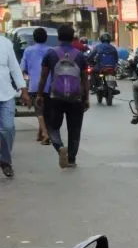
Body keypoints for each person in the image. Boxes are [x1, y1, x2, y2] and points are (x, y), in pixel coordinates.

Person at [36, 24, 89, 169]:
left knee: (52, 127)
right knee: (74, 129)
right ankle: (71, 159)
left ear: (58, 37)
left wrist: (40, 95)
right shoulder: (80, 55)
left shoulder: (50, 54)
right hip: (76, 98)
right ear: (73, 38)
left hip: (55, 98)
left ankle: (60, 147)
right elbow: (85, 79)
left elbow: (43, 77)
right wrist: (86, 98)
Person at [0, 33, 28, 178]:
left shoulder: (5, 43)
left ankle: (5, 160)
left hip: (6, 95)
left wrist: (23, 90)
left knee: (8, 128)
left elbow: (15, 69)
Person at [19, 27, 52, 146]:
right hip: (49, 86)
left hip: (34, 86)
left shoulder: (28, 50)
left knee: (39, 111)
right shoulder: (51, 50)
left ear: (34, 38)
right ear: (46, 38)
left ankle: (45, 134)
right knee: (45, 109)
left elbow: (22, 68)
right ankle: (40, 133)